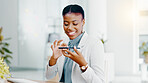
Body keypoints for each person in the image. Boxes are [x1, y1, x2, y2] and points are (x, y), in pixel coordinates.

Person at [46, 4, 105, 83]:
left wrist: (83, 65)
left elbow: (100, 82)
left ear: (83, 22)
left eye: (75, 24)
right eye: (66, 23)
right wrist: (54, 59)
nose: (69, 28)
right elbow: (49, 76)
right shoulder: (63, 43)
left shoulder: (94, 44)